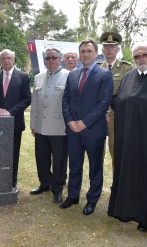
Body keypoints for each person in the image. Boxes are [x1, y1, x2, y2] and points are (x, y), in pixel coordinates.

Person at [108, 42, 147, 233]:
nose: (141, 59)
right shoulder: (127, 77)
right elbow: (119, 100)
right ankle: (125, 211)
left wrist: (146, 103)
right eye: (137, 56)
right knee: (128, 171)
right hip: (128, 136)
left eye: (145, 55)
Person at [60, 39, 113, 215]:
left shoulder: (104, 75)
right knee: (74, 164)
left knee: (95, 167)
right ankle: (73, 196)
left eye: (89, 51)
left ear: (96, 53)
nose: (85, 54)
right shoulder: (73, 74)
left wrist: (85, 122)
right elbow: (66, 99)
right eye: (82, 51)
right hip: (73, 129)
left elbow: (104, 102)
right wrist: (69, 121)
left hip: (94, 130)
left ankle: (92, 200)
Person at [0, 49, 31, 191]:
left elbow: (27, 98)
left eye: (9, 58)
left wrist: (10, 112)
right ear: (0, 60)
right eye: (3, 58)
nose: (6, 60)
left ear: (14, 59)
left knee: (13, 153)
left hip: (15, 123)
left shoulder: (23, 76)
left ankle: (12, 181)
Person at [30, 48, 69, 203]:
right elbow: (34, 102)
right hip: (40, 126)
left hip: (59, 126)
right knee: (42, 158)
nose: (51, 60)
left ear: (60, 59)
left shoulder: (69, 76)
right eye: (48, 58)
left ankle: (57, 189)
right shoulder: (39, 77)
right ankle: (45, 183)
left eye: (54, 57)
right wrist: (33, 124)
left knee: (59, 160)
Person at [97, 31, 133, 161]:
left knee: (116, 152)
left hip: (117, 116)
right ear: (102, 49)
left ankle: (117, 182)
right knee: (96, 153)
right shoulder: (96, 68)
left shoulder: (127, 68)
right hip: (98, 117)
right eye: (106, 46)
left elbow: (129, 93)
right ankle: (96, 182)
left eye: (112, 46)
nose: (109, 49)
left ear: (118, 49)